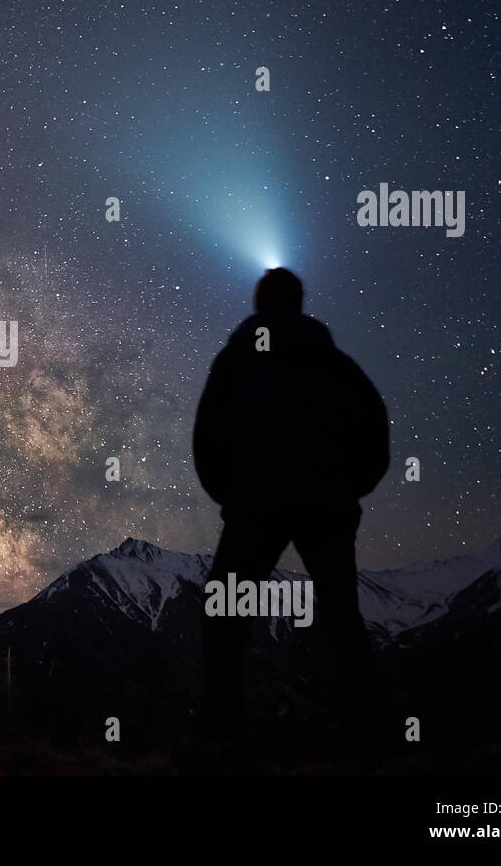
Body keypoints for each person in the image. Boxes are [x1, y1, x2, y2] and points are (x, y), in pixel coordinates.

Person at [193, 268, 389, 763]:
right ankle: (365, 740)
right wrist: (349, 487)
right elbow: (374, 430)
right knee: (343, 618)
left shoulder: (235, 361)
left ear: (258, 304)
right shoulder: (338, 365)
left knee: (225, 615)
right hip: (328, 505)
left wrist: (230, 495)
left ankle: (224, 739)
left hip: (255, 505)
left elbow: (207, 437)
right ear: (301, 304)